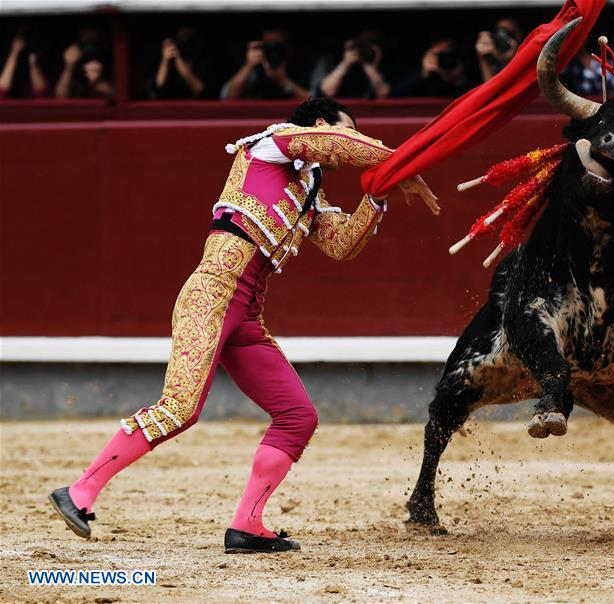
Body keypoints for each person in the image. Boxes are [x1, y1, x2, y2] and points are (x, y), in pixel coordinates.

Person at [49, 98, 439, 553]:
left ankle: (247, 525)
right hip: (212, 293)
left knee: (297, 417)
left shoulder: (308, 189)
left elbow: (341, 246)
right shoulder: (272, 145)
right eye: (347, 131)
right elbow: (338, 143)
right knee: (179, 408)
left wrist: (379, 192)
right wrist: (403, 162)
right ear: (318, 124)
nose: (347, 146)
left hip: (246, 312)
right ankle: (78, 491)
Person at [221, 29, 308, 100]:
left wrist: (284, 82)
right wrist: (249, 66)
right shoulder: (254, 66)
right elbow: (228, 98)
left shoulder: (302, 65)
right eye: (269, 46)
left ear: (289, 48)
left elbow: (313, 104)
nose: (273, 52)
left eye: (277, 46)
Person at [310, 30, 390, 99]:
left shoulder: (382, 63)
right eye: (362, 44)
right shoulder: (332, 60)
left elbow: (384, 95)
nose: (365, 47)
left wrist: (371, 68)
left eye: (371, 42)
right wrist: (345, 63)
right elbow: (326, 91)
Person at [392, 38, 471, 98]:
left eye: (448, 54)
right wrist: (424, 74)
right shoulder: (425, 78)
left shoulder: (466, 79)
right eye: (439, 55)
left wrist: (456, 79)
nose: (444, 59)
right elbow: (394, 95)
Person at [55, 26, 114, 101]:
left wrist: (98, 82)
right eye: (85, 43)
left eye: (93, 43)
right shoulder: (74, 66)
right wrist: (68, 68)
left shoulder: (112, 62)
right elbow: (60, 98)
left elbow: (119, 98)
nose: (89, 48)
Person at [149, 27, 208, 99]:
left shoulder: (202, 61)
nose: (184, 41)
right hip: (171, 105)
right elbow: (158, 86)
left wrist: (184, 70)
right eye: (181, 37)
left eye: (187, 36)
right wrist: (165, 60)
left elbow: (201, 91)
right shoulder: (170, 59)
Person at [0, 26, 49, 99]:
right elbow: (2, 93)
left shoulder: (39, 58)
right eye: (17, 38)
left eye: (24, 38)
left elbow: (42, 95)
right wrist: (14, 52)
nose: (21, 41)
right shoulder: (5, 56)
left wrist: (33, 62)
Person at [475, 18, 523, 83]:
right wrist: (483, 59)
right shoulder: (491, 56)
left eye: (509, 33)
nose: (503, 36)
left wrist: (511, 60)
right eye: (500, 31)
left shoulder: (528, 56)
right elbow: (489, 87)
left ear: (519, 35)